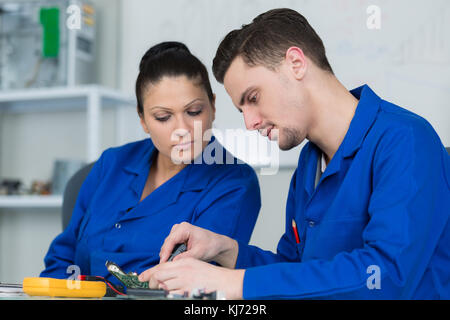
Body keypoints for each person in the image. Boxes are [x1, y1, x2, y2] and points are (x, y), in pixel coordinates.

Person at [139, 9, 450, 299]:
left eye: (254, 97)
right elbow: (294, 269)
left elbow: (385, 276)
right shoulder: (310, 163)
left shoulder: (404, 141)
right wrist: (227, 251)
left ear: (296, 63)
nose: (250, 123)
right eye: (242, 109)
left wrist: (231, 283)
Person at [40, 42, 261, 285]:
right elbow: (62, 259)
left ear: (213, 106)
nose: (182, 130)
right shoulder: (111, 164)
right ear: (143, 120)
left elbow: (190, 280)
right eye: (163, 117)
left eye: (194, 111)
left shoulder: (234, 182)